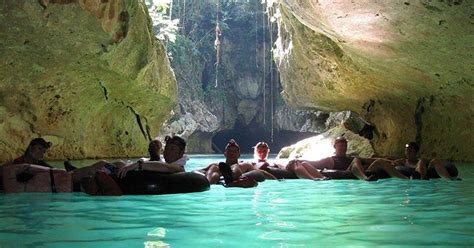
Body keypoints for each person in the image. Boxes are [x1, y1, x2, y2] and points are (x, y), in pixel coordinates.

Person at [286, 136, 374, 181]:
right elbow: (314, 163)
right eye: (341, 145)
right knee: (356, 160)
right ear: (335, 147)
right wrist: (298, 160)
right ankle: (365, 178)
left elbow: (370, 160)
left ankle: (365, 177)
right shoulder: (330, 160)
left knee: (377, 161)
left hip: (351, 174)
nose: (343, 147)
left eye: (345, 145)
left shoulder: (352, 158)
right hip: (345, 176)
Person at [197, 139, 273, 187]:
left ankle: (230, 177)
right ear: (225, 154)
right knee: (214, 168)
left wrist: (277, 180)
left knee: (235, 166)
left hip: (236, 177)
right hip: (218, 180)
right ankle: (208, 183)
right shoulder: (216, 165)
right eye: (229, 151)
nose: (231, 153)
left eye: (234, 151)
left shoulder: (245, 165)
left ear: (238, 154)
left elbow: (259, 172)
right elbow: (200, 171)